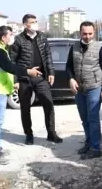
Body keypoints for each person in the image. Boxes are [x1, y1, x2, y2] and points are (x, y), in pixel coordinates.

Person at [0, 25, 42, 165]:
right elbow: (10, 67)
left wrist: (12, 84)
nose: (12, 37)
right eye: (10, 34)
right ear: (3, 37)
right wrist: (28, 71)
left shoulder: (0, 49)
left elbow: (4, 70)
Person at [9, 14, 62, 145]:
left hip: (40, 78)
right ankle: (29, 134)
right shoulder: (18, 40)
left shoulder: (42, 37)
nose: (35, 24)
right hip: (24, 79)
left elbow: (48, 56)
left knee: (48, 104)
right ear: (26, 25)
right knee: (25, 108)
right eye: (32, 22)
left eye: (36, 21)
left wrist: (51, 72)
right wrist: (15, 80)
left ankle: (51, 133)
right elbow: (12, 61)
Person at [66, 21, 102, 160]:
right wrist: (71, 79)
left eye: (90, 33)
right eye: (84, 33)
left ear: (94, 33)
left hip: (94, 88)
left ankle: (96, 148)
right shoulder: (73, 48)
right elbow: (68, 67)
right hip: (79, 89)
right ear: (80, 33)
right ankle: (89, 143)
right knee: (84, 119)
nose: (87, 36)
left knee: (93, 118)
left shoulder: (100, 48)